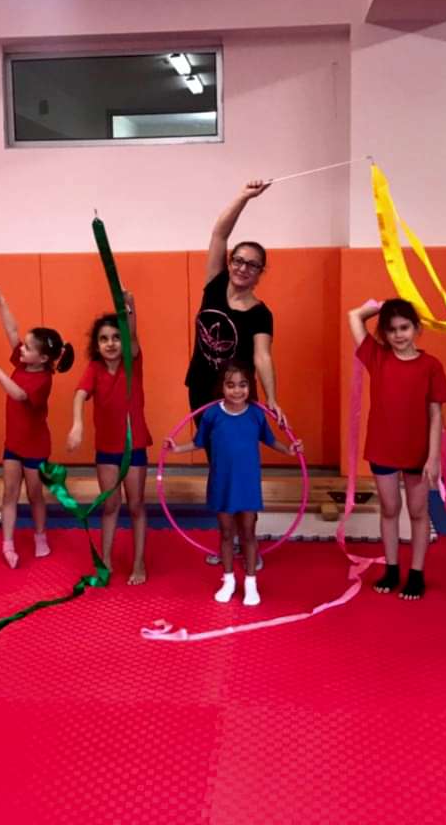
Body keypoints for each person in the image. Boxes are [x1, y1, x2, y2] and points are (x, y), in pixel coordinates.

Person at [186, 180, 282, 568]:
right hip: (202, 390)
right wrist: (244, 196)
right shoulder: (215, 285)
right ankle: (230, 539)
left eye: (252, 264)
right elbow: (219, 233)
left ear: (260, 272)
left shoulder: (261, 313)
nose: (243, 268)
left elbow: (262, 356)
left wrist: (272, 399)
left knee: (240, 469)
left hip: (238, 398)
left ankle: (248, 540)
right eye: (238, 260)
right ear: (230, 263)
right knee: (220, 469)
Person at [164, 361, 302, 607]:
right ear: (222, 387)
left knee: (248, 532)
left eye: (242, 385)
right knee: (226, 533)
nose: (237, 390)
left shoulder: (256, 414)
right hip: (222, 483)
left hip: (247, 484)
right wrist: (176, 449)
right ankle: (228, 580)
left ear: (250, 387)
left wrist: (289, 450)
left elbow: (270, 440)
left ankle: (251, 582)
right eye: (231, 385)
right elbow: (199, 442)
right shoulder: (212, 415)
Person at [347, 298, 446, 600]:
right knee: (390, 509)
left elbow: (436, 415)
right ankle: (392, 569)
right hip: (383, 448)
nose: (398, 335)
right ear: (384, 333)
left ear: (417, 328)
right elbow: (354, 315)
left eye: (404, 327)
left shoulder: (431, 365)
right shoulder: (377, 357)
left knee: (418, 512)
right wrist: (382, 305)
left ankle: (416, 573)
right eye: (391, 330)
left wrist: (433, 457)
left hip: (418, 451)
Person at [0, 284, 74, 569]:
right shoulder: (23, 362)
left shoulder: (43, 380)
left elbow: (18, 394)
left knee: (35, 494)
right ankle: (8, 543)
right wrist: (0, 301)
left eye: (28, 347)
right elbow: (12, 330)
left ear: (43, 358)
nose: (21, 348)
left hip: (35, 447)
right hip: (13, 444)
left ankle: (40, 535)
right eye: (24, 345)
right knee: (9, 492)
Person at [67, 291, 151, 585]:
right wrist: (77, 425)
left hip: (134, 446)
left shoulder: (132, 362)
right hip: (107, 449)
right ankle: (105, 561)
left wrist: (130, 306)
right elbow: (79, 395)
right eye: (104, 339)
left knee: (136, 505)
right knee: (111, 505)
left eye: (116, 337)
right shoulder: (95, 368)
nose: (111, 343)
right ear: (96, 345)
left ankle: (139, 562)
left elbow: (133, 333)